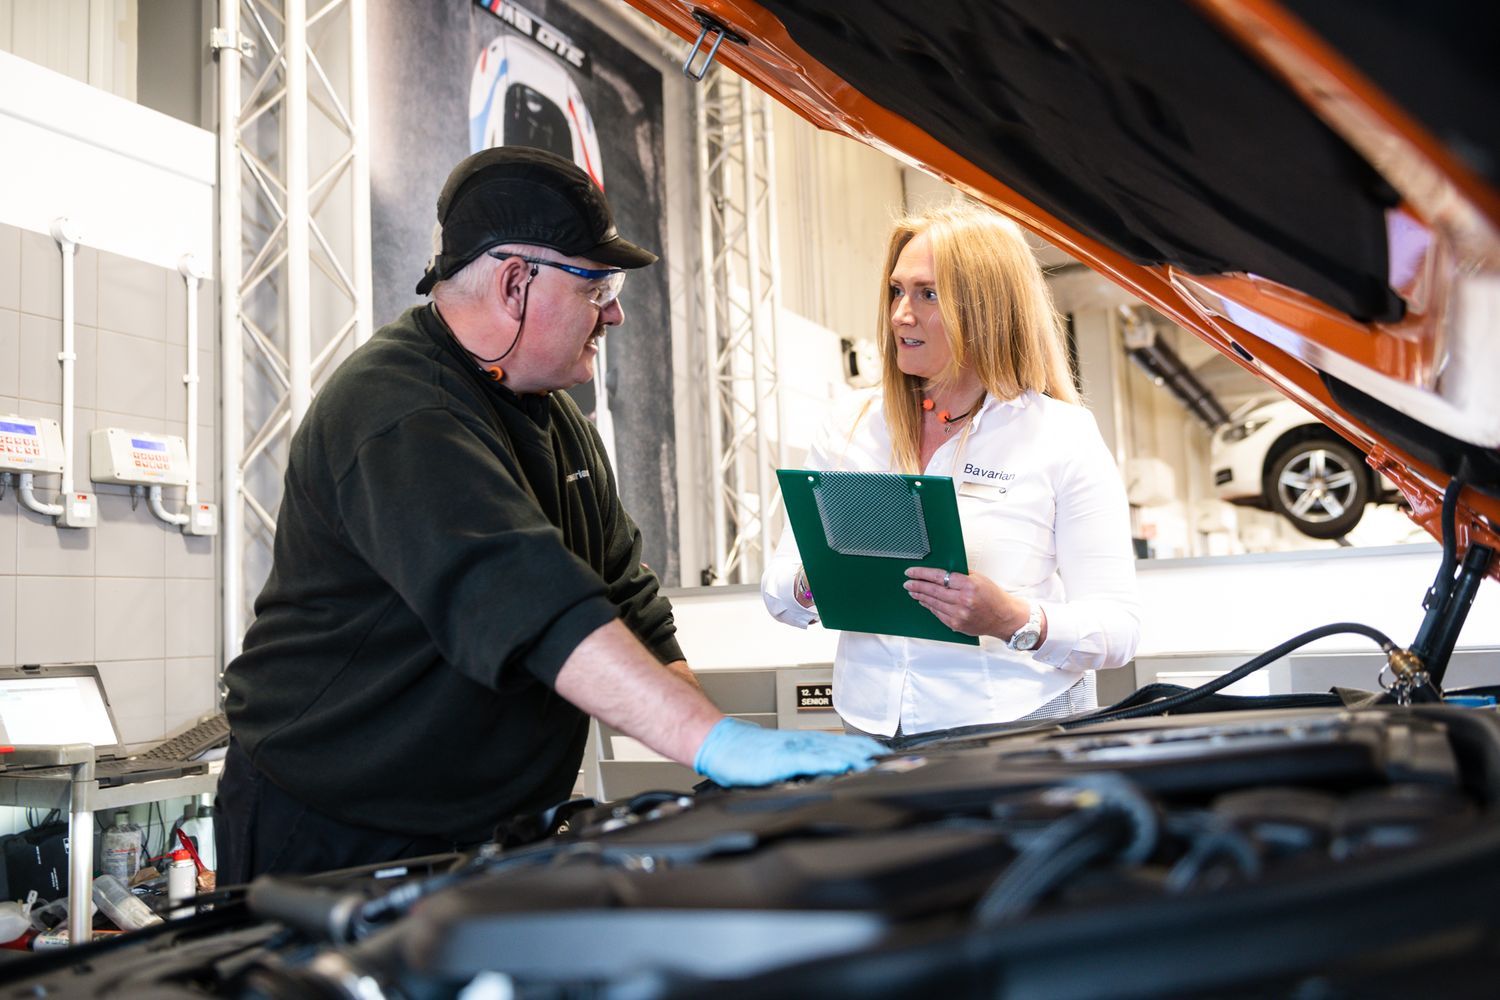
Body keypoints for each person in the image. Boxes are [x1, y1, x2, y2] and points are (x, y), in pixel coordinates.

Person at [217, 146, 882, 881]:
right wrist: (715, 741)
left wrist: (720, 754)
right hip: (337, 828)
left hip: (481, 827)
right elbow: (525, 601)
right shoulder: (402, 409)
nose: (617, 313)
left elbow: (627, 599)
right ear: (514, 283)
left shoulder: (555, 417)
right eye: (598, 286)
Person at [762, 203, 1140, 740]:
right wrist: (812, 582)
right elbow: (778, 586)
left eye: (927, 294)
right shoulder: (851, 426)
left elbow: (1119, 630)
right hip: (868, 722)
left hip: (1012, 724)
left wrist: (1011, 620)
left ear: (987, 308)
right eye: (897, 290)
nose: (900, 314)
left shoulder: (1060, 435)